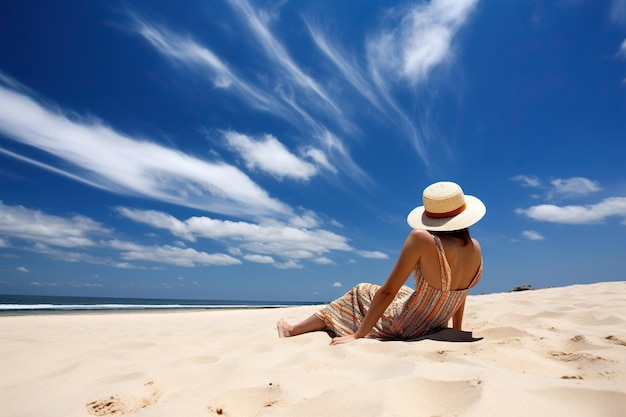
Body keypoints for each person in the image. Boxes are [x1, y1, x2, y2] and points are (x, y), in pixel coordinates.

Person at [276, 181, 486, 345]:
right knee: (398, 291)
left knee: (360, 291)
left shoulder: (422, 239)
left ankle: (293, 330)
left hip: (408, 326)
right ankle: (310, 326)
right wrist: (455, 330)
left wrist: (359, 335)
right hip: (435, 324)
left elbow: (388, 291)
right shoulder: (474, 246)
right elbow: (460, 294)